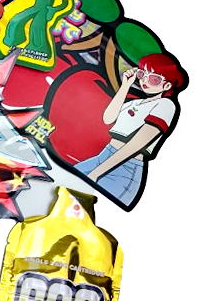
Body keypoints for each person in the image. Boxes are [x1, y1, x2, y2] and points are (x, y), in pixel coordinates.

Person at [75, 53, 186, 206]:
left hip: (125, 166)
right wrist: (125, 86)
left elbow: (135, 146)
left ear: (166, 86)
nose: (145, 81)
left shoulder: (165, 105)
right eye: (142, 74)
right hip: (103, 156)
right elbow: (108, 118)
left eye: (154, 79)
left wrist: (97, 172)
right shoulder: (135, 103)